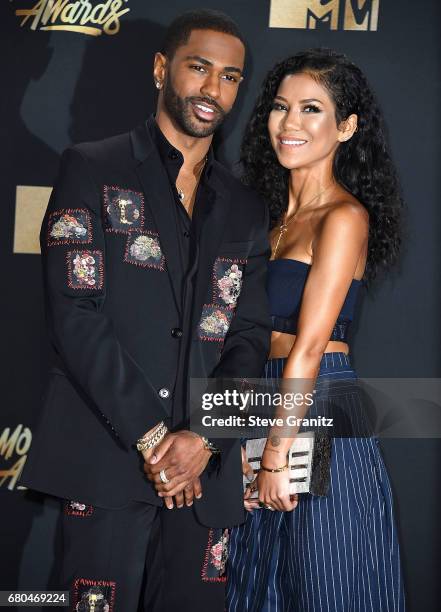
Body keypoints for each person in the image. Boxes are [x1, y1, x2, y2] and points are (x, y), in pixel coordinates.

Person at [21, 10, 271, 612]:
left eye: (231, 77)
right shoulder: (92, 165)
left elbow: (250, 337)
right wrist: (160, 441)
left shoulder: (246, 207)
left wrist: (204, 439)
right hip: (108, 463)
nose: (214, 90)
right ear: (162, 68)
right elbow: (76, 316)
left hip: (206, 474)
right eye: (199, 67)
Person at [226, 49, 406, 611]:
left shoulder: (344, 217)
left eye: (311, 109)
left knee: (327, 579)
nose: (291, 123)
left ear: (346, 127)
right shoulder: (268, 219)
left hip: (317, 397)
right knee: (259, 583)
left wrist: (276, 456)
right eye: (281, 108)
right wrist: (238, 444)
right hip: (261, 394)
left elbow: (307, 349)